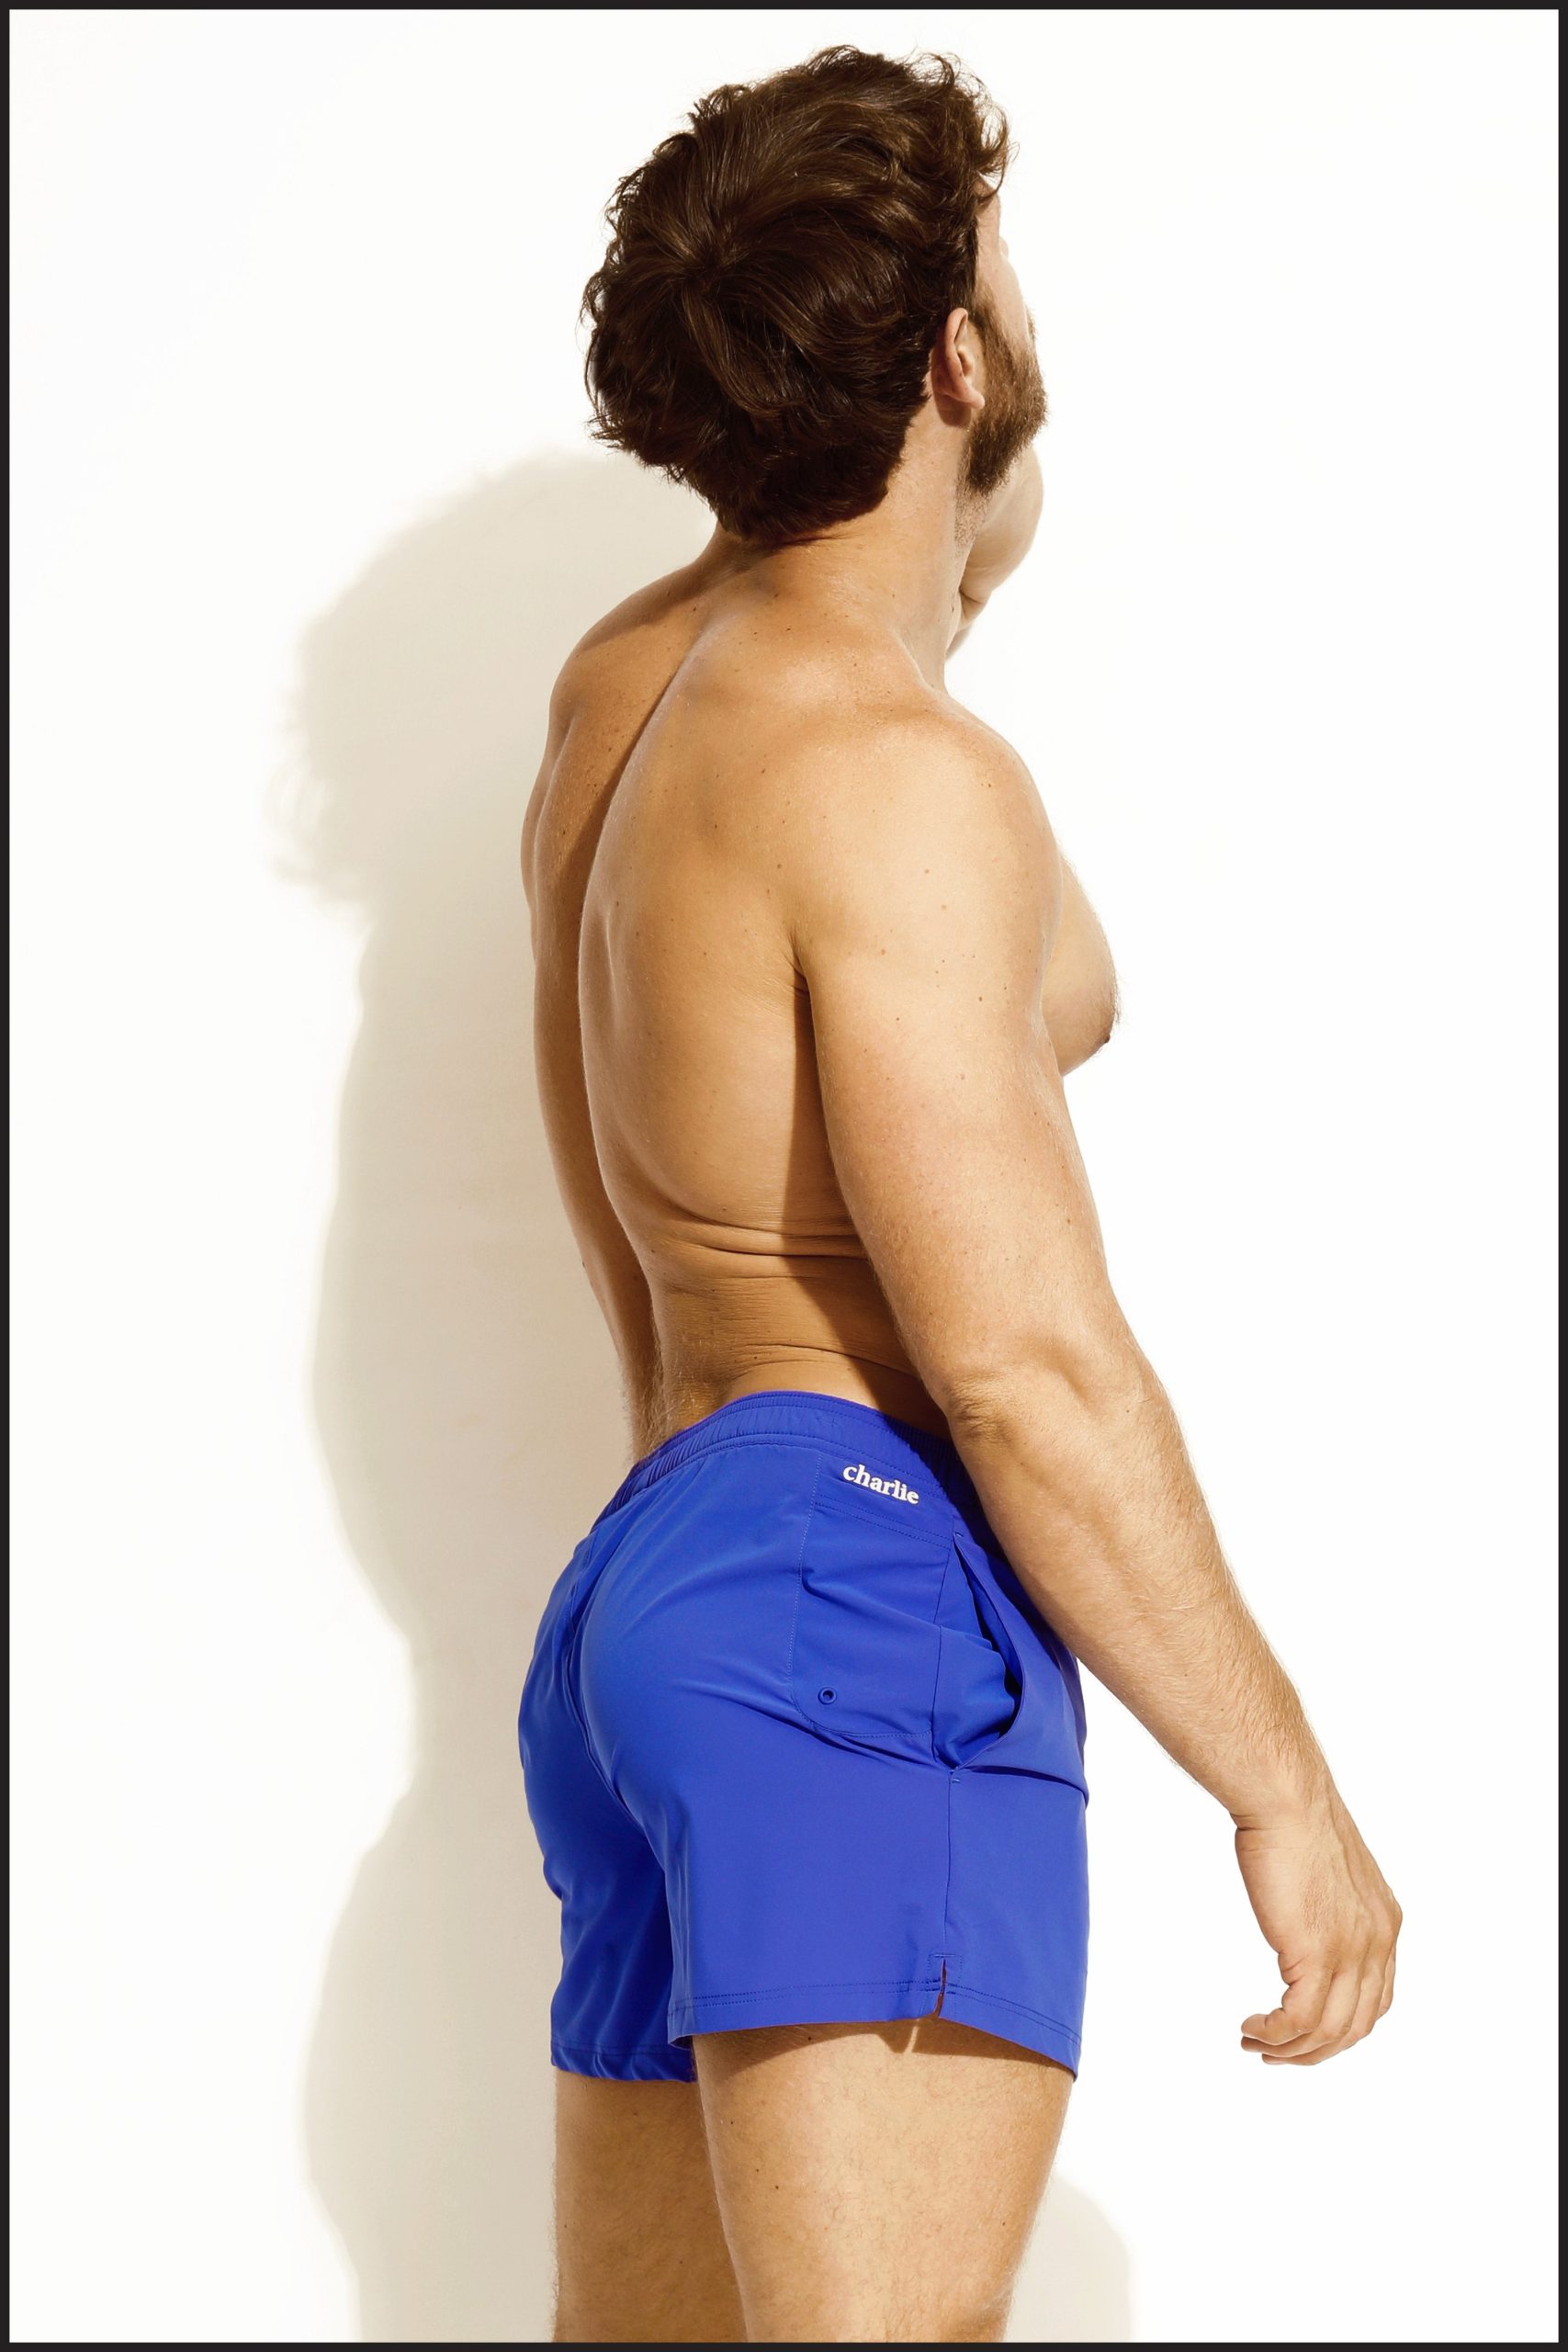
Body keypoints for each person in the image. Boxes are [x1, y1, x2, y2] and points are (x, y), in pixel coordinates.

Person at [518, 45, 1400, 2345]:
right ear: (954, 358)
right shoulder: (897, 778)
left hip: (660, 1579)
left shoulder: (631, 695)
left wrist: (927, 585)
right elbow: (1021, 1366)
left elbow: (1033, 996)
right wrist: (1276, 1780)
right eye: (1001, 277)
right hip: (856, 1592)